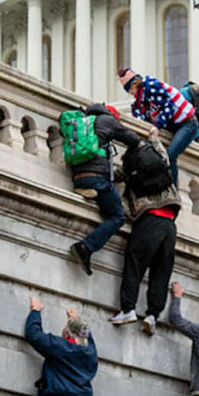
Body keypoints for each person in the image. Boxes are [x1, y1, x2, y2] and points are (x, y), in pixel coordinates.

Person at [108, 130, 180, 334]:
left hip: (149, 220)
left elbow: (118, 190)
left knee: (134, 263)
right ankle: (152, 315)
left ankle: (128, 309)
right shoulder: (159, 162)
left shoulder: (131, 173)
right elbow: (164, 155)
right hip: (170, 224)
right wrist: (154, 136)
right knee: (161, 271)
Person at [67, 103, 141, 276]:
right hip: (97, 178)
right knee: (118, 216)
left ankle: (87, 190)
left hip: (79, 177)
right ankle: (85, 247)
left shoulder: (81, 122)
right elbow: (133, 140)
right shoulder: (108, 120)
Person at [9, 297, 97, 396]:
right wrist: (77, 320)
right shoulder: (90, 352)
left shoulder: (62, 346)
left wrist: (35, 311)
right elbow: (87, 337)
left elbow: (34, 335)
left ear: (67, 334)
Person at [118, 68, 197, 185]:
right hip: (172, 125)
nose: (130, 93)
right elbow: (142, 122)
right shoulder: (138, 104)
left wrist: (158, 127)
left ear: (134, 85)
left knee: (170, 154)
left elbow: (168, 106)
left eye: (129, 89)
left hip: (187, 123)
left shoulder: (151, 86)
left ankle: (173, 187)